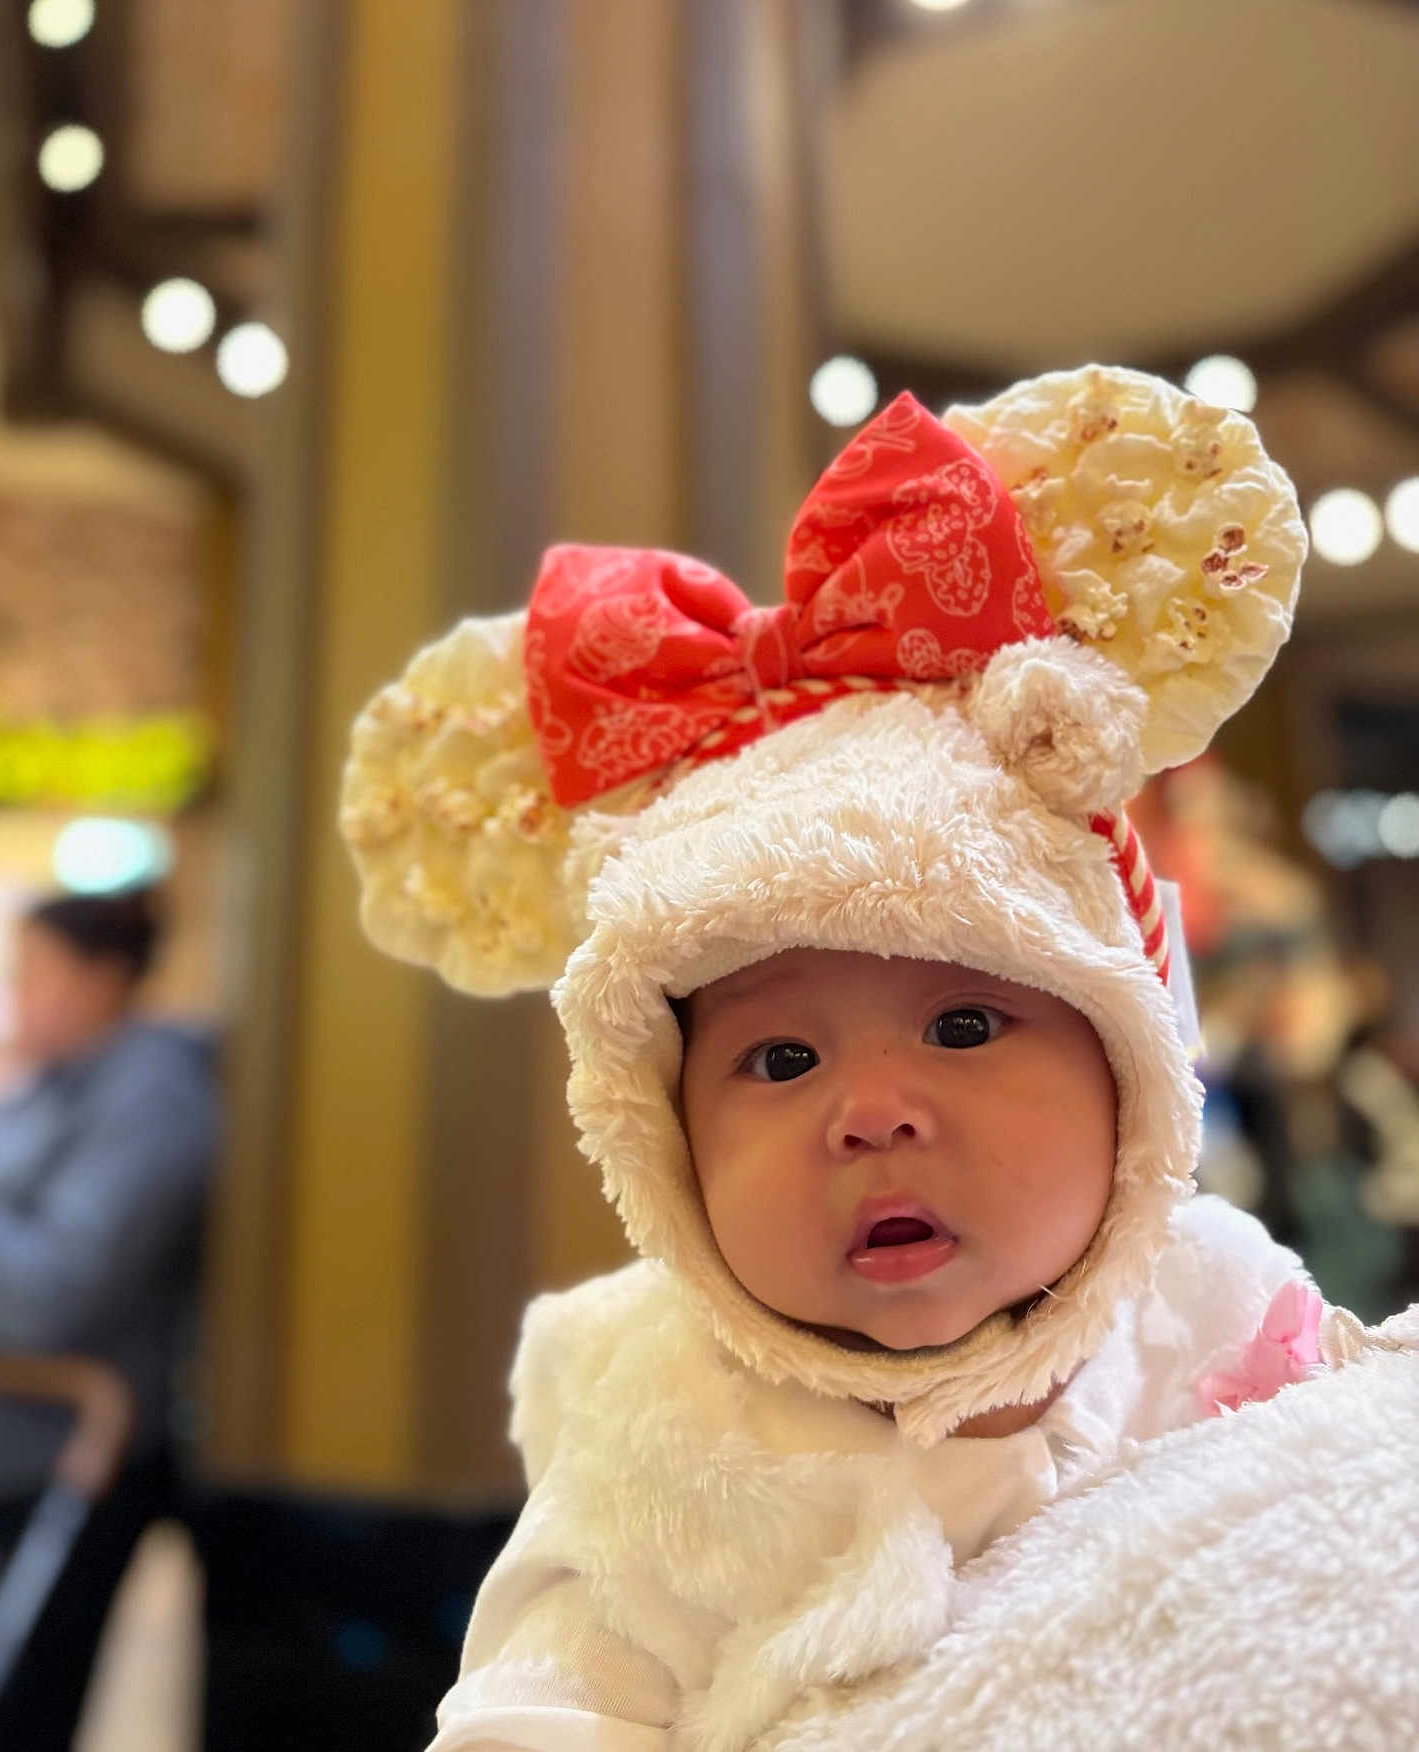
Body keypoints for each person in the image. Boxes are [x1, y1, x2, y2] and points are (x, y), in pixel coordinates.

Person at [340, 365, 1405, 1751]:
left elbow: (1352, 1537)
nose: (873, 1114)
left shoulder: (1213, 1300)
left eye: (966, 1025)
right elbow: (542, 1709)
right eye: (777, 1060)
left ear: (1135, 1063)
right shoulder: (662, 1420)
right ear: (657, 1137)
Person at [0, 884, 217, 1746]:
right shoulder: (55, 1085)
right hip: (12, 1449)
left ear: (105, 978)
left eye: (32, 974)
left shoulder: (155, 1099)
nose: (16, 997)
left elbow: (52, 1292)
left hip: (62, 1459)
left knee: (18, 1710)